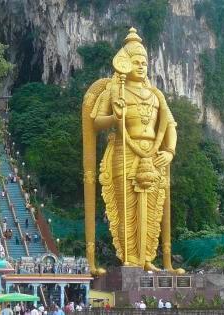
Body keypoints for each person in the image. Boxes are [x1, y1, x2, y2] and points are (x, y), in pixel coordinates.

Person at [83, 27, 179, 274]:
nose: (141, 66)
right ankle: (129, 258)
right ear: (124, 63)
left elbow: (170, 126)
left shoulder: (157, 95)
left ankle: (148, 258)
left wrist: (169, 151)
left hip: (154, 154)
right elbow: (95, 122)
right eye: (135, 61)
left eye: (144, 62)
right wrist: (115, 117)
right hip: (123, 151)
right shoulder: (115, 90)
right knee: (125, 207)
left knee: (153, 208)